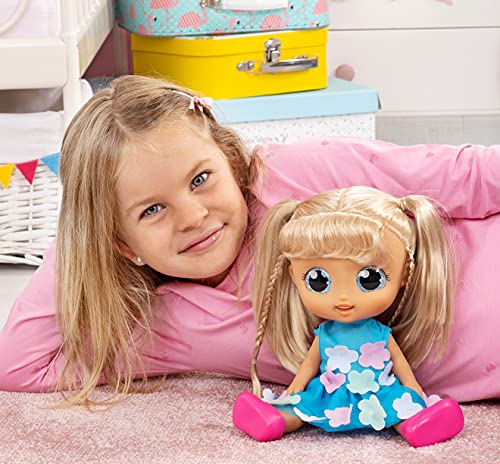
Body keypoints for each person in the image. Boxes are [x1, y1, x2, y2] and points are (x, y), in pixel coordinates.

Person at [0, 75, 499, 407]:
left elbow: (472, 175)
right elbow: (19, 362)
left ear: (230, 160)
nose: (193, 217)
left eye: (200, 179)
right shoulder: (162, 326)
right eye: (151, 210)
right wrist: (83, 231)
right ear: (121, 243)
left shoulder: (299, 173)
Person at [232, 186, 464, 445]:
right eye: (318, 280)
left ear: (405, 275)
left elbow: (399, 362)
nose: (343, 297)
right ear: (295, 278)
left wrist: (413, 388)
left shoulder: (380, 333)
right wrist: (297, 386)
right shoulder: (325, 334)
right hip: (332, 391)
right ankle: (273, 420)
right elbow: (310, 364)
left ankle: (418, 426)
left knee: (400, 405)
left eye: (369, 279)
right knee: (302, 405)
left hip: (378, 390)